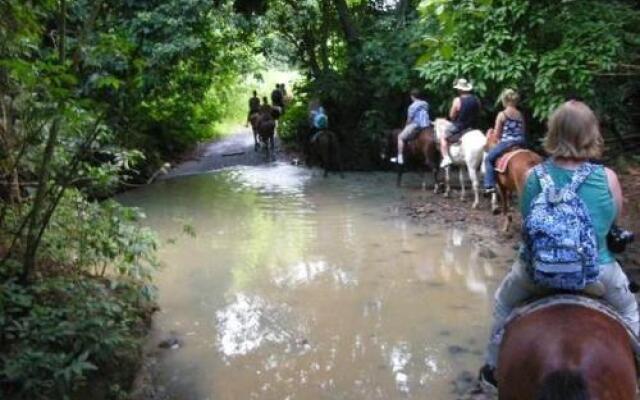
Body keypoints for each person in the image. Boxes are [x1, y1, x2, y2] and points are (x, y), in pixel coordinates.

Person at [478, 101, 640, 387]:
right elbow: (611, 222)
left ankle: (491, 370)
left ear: (553, 133)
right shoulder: (608, 178)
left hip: (536, 273)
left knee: (502, 303)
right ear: (592, 134)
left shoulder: (532, 177)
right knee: (630, 312)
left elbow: (530, 225)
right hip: (598, 273)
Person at [483, 89, 526, 193]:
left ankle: (489, 185)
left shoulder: (502, 114)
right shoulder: (519, 114)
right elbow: (523, 130)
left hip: (507, 143)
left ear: (504, 100)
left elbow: (497, 134)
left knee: (488, 159)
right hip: (520, 142)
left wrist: (492, 135)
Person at [440, 78, 481, 168]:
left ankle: (446, 158)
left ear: (459, 89)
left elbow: (451, 115)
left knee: (443, 137)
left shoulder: (457, 100)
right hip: (473, 126)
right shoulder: (476, 99)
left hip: (460, 126)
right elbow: (478, 111)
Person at [391, 88, 431, 165]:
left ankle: (400, 157)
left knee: (400, 137)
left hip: (416, 125)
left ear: (412, 96)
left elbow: (409, 119)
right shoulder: (425, 104)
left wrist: (406, 126)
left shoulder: (412, 107)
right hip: (426, 124)